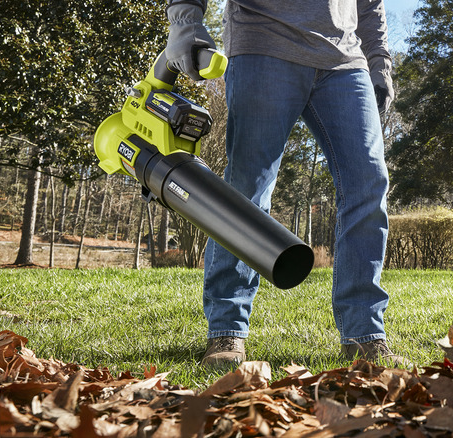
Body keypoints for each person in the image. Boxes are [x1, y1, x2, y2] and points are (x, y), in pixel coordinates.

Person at [164, 0, 406, 369]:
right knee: (247, 191)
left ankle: (364, 333)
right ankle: (227, 328)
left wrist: (379, 61)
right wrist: (185, 21)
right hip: (264, 42)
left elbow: (370, 3)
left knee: (369, 184)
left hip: (345, 59)